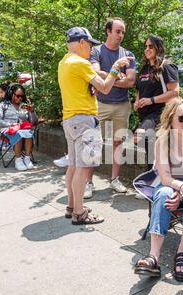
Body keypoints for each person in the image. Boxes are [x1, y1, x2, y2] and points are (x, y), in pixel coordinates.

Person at [58, 26, 133, 225]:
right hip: (84, 120)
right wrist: (116, 67)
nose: (91, 49)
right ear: (81, 42)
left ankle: (72, 206)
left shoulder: (64, 62)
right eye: (90, 44)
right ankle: (80, 213)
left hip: (70, 120)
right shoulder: (80, 63)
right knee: (83, 168)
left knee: (73, 166)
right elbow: (106, 87)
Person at [134, 98, 183, 282]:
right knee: (162, 194)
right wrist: (179, 188)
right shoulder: (162, 141)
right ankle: (153, 256)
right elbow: (166, 177)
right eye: (182, 118)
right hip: (171, 183)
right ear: (170, 120)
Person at [81, 17, 137, 197]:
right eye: (117, 31)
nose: (120, 35)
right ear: (108, 31)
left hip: (122, 105)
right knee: (93, 143)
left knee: (118, 143)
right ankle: (88, 183)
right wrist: (116, 76)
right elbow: (96, 72)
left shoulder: (128, 54)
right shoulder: (96, 51)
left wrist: (108, 79)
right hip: (100, 105)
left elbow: (130, 82)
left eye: (123, 32)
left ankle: (114, 180)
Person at [0, 83, 38, 171]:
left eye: (21, 96)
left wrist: (32, 112)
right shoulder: (3, 105)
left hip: (22, 129)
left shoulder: (24, 106)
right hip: (6, 129)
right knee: (18, 133)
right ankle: (18, 160)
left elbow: (33, 122)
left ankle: (26, 158)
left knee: (28, 132)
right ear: (11, 94)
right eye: (17, 96)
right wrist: (11, 125)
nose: (20, 98)